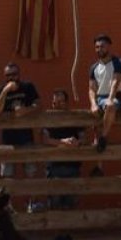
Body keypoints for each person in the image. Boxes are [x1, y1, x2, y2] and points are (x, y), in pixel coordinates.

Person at [42, 88, 85, 221]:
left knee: (71, 202)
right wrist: (63, 142)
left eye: (61, 102)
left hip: (72, 166)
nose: (58, 105)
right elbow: (45, 139)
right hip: (54, 167)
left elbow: (83, 138)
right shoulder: (48, 119)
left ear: (67, 103)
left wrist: (76, 142)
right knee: (55, 202)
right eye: (55, 103)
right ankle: (57, 235)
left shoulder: (75, 118)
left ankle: (68, 234)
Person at [0, 62, 39, 182]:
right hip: (8, 139)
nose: (11, 77)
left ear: (19, 74)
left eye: (14, 74)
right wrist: (5, 91)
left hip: (26, 138)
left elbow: (38, 105)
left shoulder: (27, 87)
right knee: (7, 174)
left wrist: (26, 110)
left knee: (31, 173)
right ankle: (8, 201)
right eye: (8, 75)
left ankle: (32, 201)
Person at [88, 34, 121, 153]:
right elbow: (91, 88)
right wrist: (93, 104)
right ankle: (97, 138)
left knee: (110, 105)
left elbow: (115, 82)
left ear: (109, 47)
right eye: (97, 47)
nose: (99, 49)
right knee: (95, 114)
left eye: (102, 46)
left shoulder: (118, 62)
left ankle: (103, 137)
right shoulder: (94, 67)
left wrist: (110, 98)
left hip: (113, 96)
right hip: (100, 98)